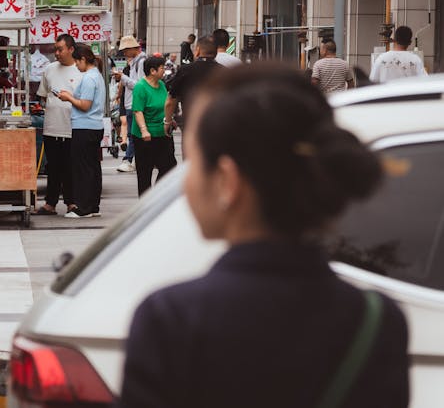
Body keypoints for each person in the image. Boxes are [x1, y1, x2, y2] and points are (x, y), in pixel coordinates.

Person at [118, 65, 408, 408]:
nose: (185, 181)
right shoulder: (375, 321)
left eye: (194, 163)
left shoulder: (170, 318)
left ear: (228, 180)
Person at [34, 33, 82, 216]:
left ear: (71, 49)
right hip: (52, 125)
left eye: (60, 49)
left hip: (73, 127)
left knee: (70, 166)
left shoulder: (80, 70)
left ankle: (72, 202)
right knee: (53, 166)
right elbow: (43, 95)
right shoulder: (49, 69)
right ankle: (50, 203)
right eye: (55, 49)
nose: (57, 53)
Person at [57, 44, 105, 218]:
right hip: (95, 126)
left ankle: (83, 207)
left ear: (83, 59)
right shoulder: (97, 76)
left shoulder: (89, 78)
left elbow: (85, 105)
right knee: (92, 167)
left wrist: (68, 97)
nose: (76, 65)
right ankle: (92, 206)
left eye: (77, 61)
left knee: (82, 169)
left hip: (84, 126)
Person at [130, 56, 177, 195]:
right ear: (152, 71)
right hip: (145, 137)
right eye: (162, 68)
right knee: (145, 172)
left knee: (169, 166)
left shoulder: (162, 85)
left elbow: (165, 106)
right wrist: (144, 130)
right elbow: (138, 111)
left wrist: (170, 120)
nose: (164, 70)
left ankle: (155, 195)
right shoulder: (140, 87)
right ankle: (145, 204)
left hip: (163, 133)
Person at [164, 36, 220, 136]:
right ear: (216, 52)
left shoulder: (185, 70)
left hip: (191, 124)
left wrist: (168, 122)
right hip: (217, 125)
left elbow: (171, 100)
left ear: (198, 50)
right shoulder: (225, 72)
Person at [113, 35, 146, 173]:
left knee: (134, 134)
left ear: (134, 48)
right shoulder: (134, 62)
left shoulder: (141, 62)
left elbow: (139, 85)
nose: (124, 53)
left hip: (135, 103)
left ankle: (128, 159)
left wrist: (123, 78)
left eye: (126, 50)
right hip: (130, 103)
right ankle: (132, 159)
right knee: (134, 134)